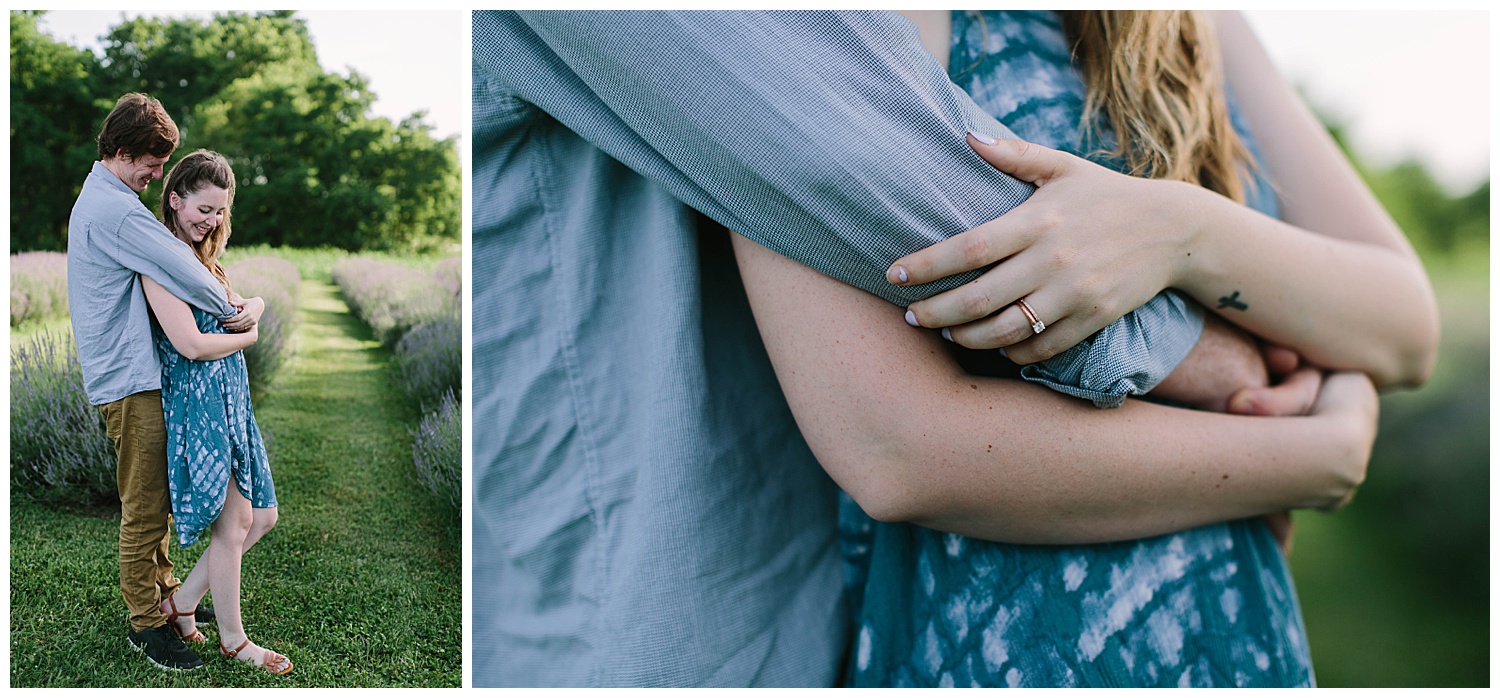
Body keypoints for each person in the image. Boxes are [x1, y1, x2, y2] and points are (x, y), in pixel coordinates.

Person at [471, 11, 1420, 686]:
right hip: (996, 637)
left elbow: (1404, 324)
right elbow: (899, 446)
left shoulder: (1186, 23)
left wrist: (1186, 233)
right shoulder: (848, 32)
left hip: (1230, 620)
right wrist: (1309, 449)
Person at [67, 93, 260, 672]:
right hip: (128, 378)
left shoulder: (104, 197)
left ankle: (168, 596)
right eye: (153, 163)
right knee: (146, 508)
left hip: (128, 373)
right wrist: (238, 311)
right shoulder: (117, 210)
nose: (156, 175)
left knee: (156, 502)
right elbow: (180, 268)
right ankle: (147, 624)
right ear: (123, 152)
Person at [141, 150, 291, 676]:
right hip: (197, 407)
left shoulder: (206, 262)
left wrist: (257, 305)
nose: (212, 220)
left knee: (263, 516)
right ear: (175, 200)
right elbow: (190, 344)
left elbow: (237, 306)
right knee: (234, 523)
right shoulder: (158, 262)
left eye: (220, 211)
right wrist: (249, 333)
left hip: (232, 402)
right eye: (203, 208)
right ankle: (234, 640)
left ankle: (180, 605)